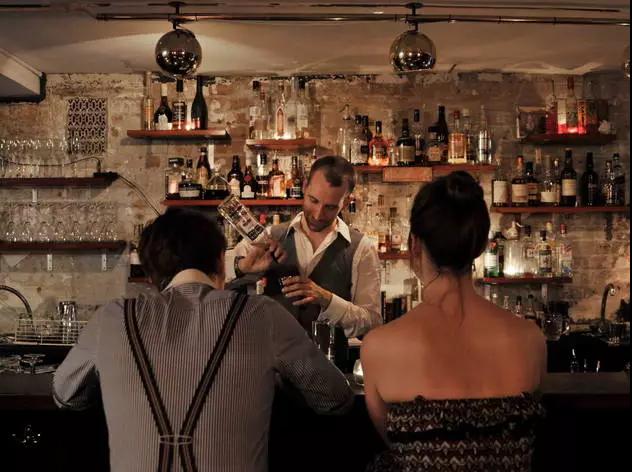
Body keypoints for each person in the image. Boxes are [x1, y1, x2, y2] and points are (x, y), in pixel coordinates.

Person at [53, 208, 353, 472]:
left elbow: (66, 395)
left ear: (150, 273)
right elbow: (336, 398)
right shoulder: (262, 315)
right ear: (220, 261)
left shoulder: (113, 318)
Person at [361, 172, 546, 472]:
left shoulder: (378, 347)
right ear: (481, 245)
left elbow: (394, 444)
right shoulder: (530, 339)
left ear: (414, 244)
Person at [230, 155, 382, 339]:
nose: (318, 215)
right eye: (313, 200)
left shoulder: (362, 249)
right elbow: (212, 275)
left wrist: (328, 300)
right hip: (274, 356)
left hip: (329, 358)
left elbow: (372, 322)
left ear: (346, 201)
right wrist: (242, 266)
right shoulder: (270, 236)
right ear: (304, 187)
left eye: (330, 207)